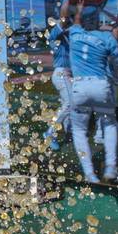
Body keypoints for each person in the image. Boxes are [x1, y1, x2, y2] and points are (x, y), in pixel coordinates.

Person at [62, 0, 118, 184]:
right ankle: (110, 167)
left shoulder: (74, 33)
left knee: (79, 132)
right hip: (101, 87)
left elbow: (76, 22)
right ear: (98, 21)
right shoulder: (106, 37)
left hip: (79, 88)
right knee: (109, 124)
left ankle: (90, 174)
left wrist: (79, 8)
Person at [43, 14, 73, 151]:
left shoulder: (63, 36)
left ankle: (69, 131)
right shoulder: (55, 33)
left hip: (66, 73)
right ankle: (50, 133)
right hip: (61, 73)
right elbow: (61, 25)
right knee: (70, 103)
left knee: (66, 103)